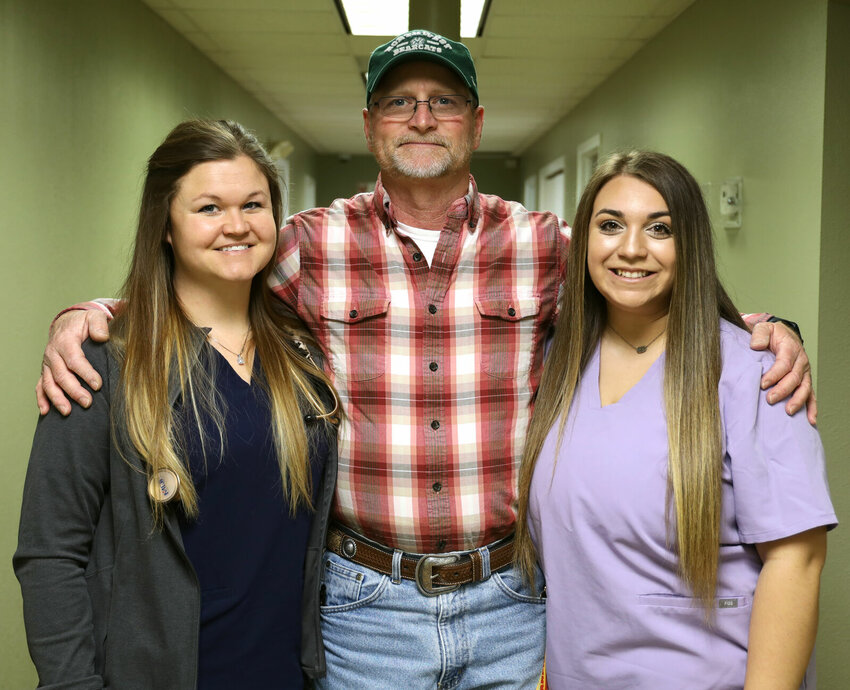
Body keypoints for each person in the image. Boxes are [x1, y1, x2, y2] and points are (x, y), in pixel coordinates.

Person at [33, 32, 815, 689]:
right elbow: (202, 280)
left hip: (513, 599)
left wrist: (764, 327)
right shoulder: (304, 242)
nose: (421, 119)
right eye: (399, 103)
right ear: (371, 123)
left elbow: (641, 273)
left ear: (475, 121)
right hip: (365, 604)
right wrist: (93, 314)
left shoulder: (543, 244)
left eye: (443, 102)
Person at [14, 119, 339, 689]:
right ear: (164, 223)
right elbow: (50, 554)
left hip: (283, 674)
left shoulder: (300, 358)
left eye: (254, 204)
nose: (236, 226)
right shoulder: (104, 363)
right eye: (209, 208)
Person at [515, 151, 836, 689]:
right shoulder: (557, 363)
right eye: (610, 225)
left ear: (690, 244)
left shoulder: (755, 371)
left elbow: (797, 563)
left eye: (659, 228)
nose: (631, 248)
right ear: (584, 242)